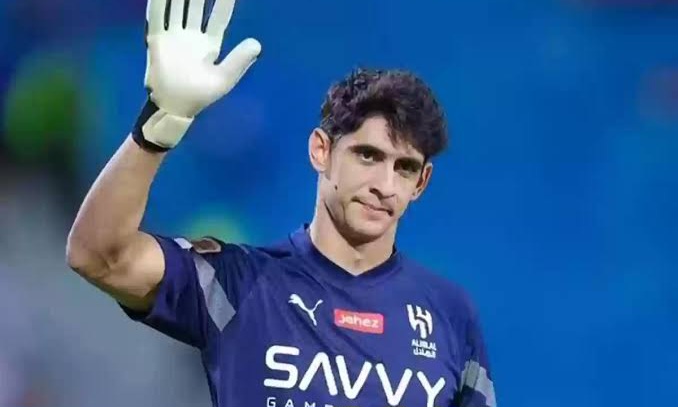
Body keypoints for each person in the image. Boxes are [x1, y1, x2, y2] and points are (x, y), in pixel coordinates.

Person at [66, 0, 497, 406]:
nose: (385, 185)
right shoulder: (238, 284)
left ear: (422, 182)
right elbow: (98, 256)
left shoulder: (451, 315)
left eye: (404, 168)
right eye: (368, 156)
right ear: (321, 151)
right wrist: (159, 124)